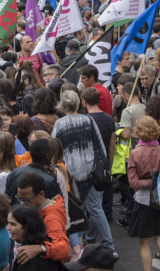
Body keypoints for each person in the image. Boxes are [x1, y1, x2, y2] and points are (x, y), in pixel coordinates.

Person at [52, 90, 114, 250]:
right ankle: (108, 244)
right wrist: (106, 168)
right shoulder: (89, 120)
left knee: (73, 210)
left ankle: (77, 248)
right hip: (91, 170)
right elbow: (100, 146)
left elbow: (54, 150)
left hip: (70, 174)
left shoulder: (59, 124)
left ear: (63, 105)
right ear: (79, 103)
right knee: (96, 208)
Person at [126, 116, 160, 271]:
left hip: (143, 201)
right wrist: (159, 180)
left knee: (144, 243)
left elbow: (134, 183)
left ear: (139, 133)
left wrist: (149, 181)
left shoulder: (135, 154)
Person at [15, 172, 70, 264]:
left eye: (27, 200)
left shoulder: (51, 218)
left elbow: (64, 249)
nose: (22, 204)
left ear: (41, 194)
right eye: (20, 199)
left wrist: (40, 248)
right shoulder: (35, 211)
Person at [7, 205, 64, 271]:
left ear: (27, 227)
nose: (8, 228)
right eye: (8, 223)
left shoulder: (26, 257)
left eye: (13, 224)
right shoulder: (46, 242)